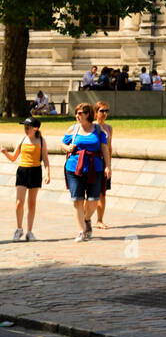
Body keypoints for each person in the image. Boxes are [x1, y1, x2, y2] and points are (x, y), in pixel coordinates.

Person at [62, 103, 111, 240]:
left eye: (80, 113)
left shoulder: (98, 130)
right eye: (76, 113)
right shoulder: (74, 129)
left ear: (88, 114)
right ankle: (82, 231)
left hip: (95, 167)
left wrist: (108, 166)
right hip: (74, 167)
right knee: (77, 200)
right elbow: (62, 143)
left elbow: (105, 149)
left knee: (93, 200)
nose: (77, 116)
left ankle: (87, 219)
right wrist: (68, 148)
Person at [2, 118, 50, 240]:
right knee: (19, 202)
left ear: (35, 128)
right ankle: (19, 229)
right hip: (22, 171)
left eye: (28, 127)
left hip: (35, 171)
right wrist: (5, 153)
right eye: (24, 127)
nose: (25, 129)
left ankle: (29, 231)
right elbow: (13, 158)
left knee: (32, 203)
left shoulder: (41, 141)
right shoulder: (21, 140)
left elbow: (45, 159)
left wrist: (48, 174)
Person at [94, 103, 113, 229]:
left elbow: (109, 147)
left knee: (102, 192)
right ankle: (85, 219)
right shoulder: (92, 126)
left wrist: (109, 165)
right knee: (89, 193)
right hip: (94, 161)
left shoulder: (109, 128)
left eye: (106, 111)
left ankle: (99, 220)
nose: (104, 113)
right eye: (102, 111)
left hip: (104, 163)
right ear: (95, 112)